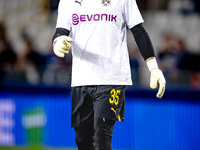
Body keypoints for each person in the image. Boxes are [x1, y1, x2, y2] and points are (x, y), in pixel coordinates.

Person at [52, 0, 166, 149]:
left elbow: (139, 30)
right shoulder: (67, 1)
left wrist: (154, 68)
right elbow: (60, 32)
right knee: (82, 140)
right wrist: (57, 42)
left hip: (112, 77)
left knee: (101, 139)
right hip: (81, 78)